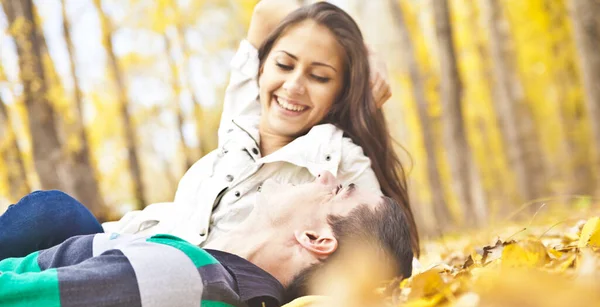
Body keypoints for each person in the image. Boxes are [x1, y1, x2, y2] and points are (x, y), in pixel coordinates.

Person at [0, 1, 419, 263]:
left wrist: (358, 68)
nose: (294, 85)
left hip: (163, 272)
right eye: (285, 64)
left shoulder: (338, 159)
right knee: (49, 215)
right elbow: (265, 12)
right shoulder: (244, 110)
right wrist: (365, 49)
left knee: (48, 214)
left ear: (341, 92)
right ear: (262, 68)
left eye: (320, 76)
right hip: (122, 239)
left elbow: (380, 250)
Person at [0, 173, 413, 307]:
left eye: (337, 189)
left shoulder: (179, 279)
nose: (323, 174)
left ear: (315, 238)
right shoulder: (210, 281)